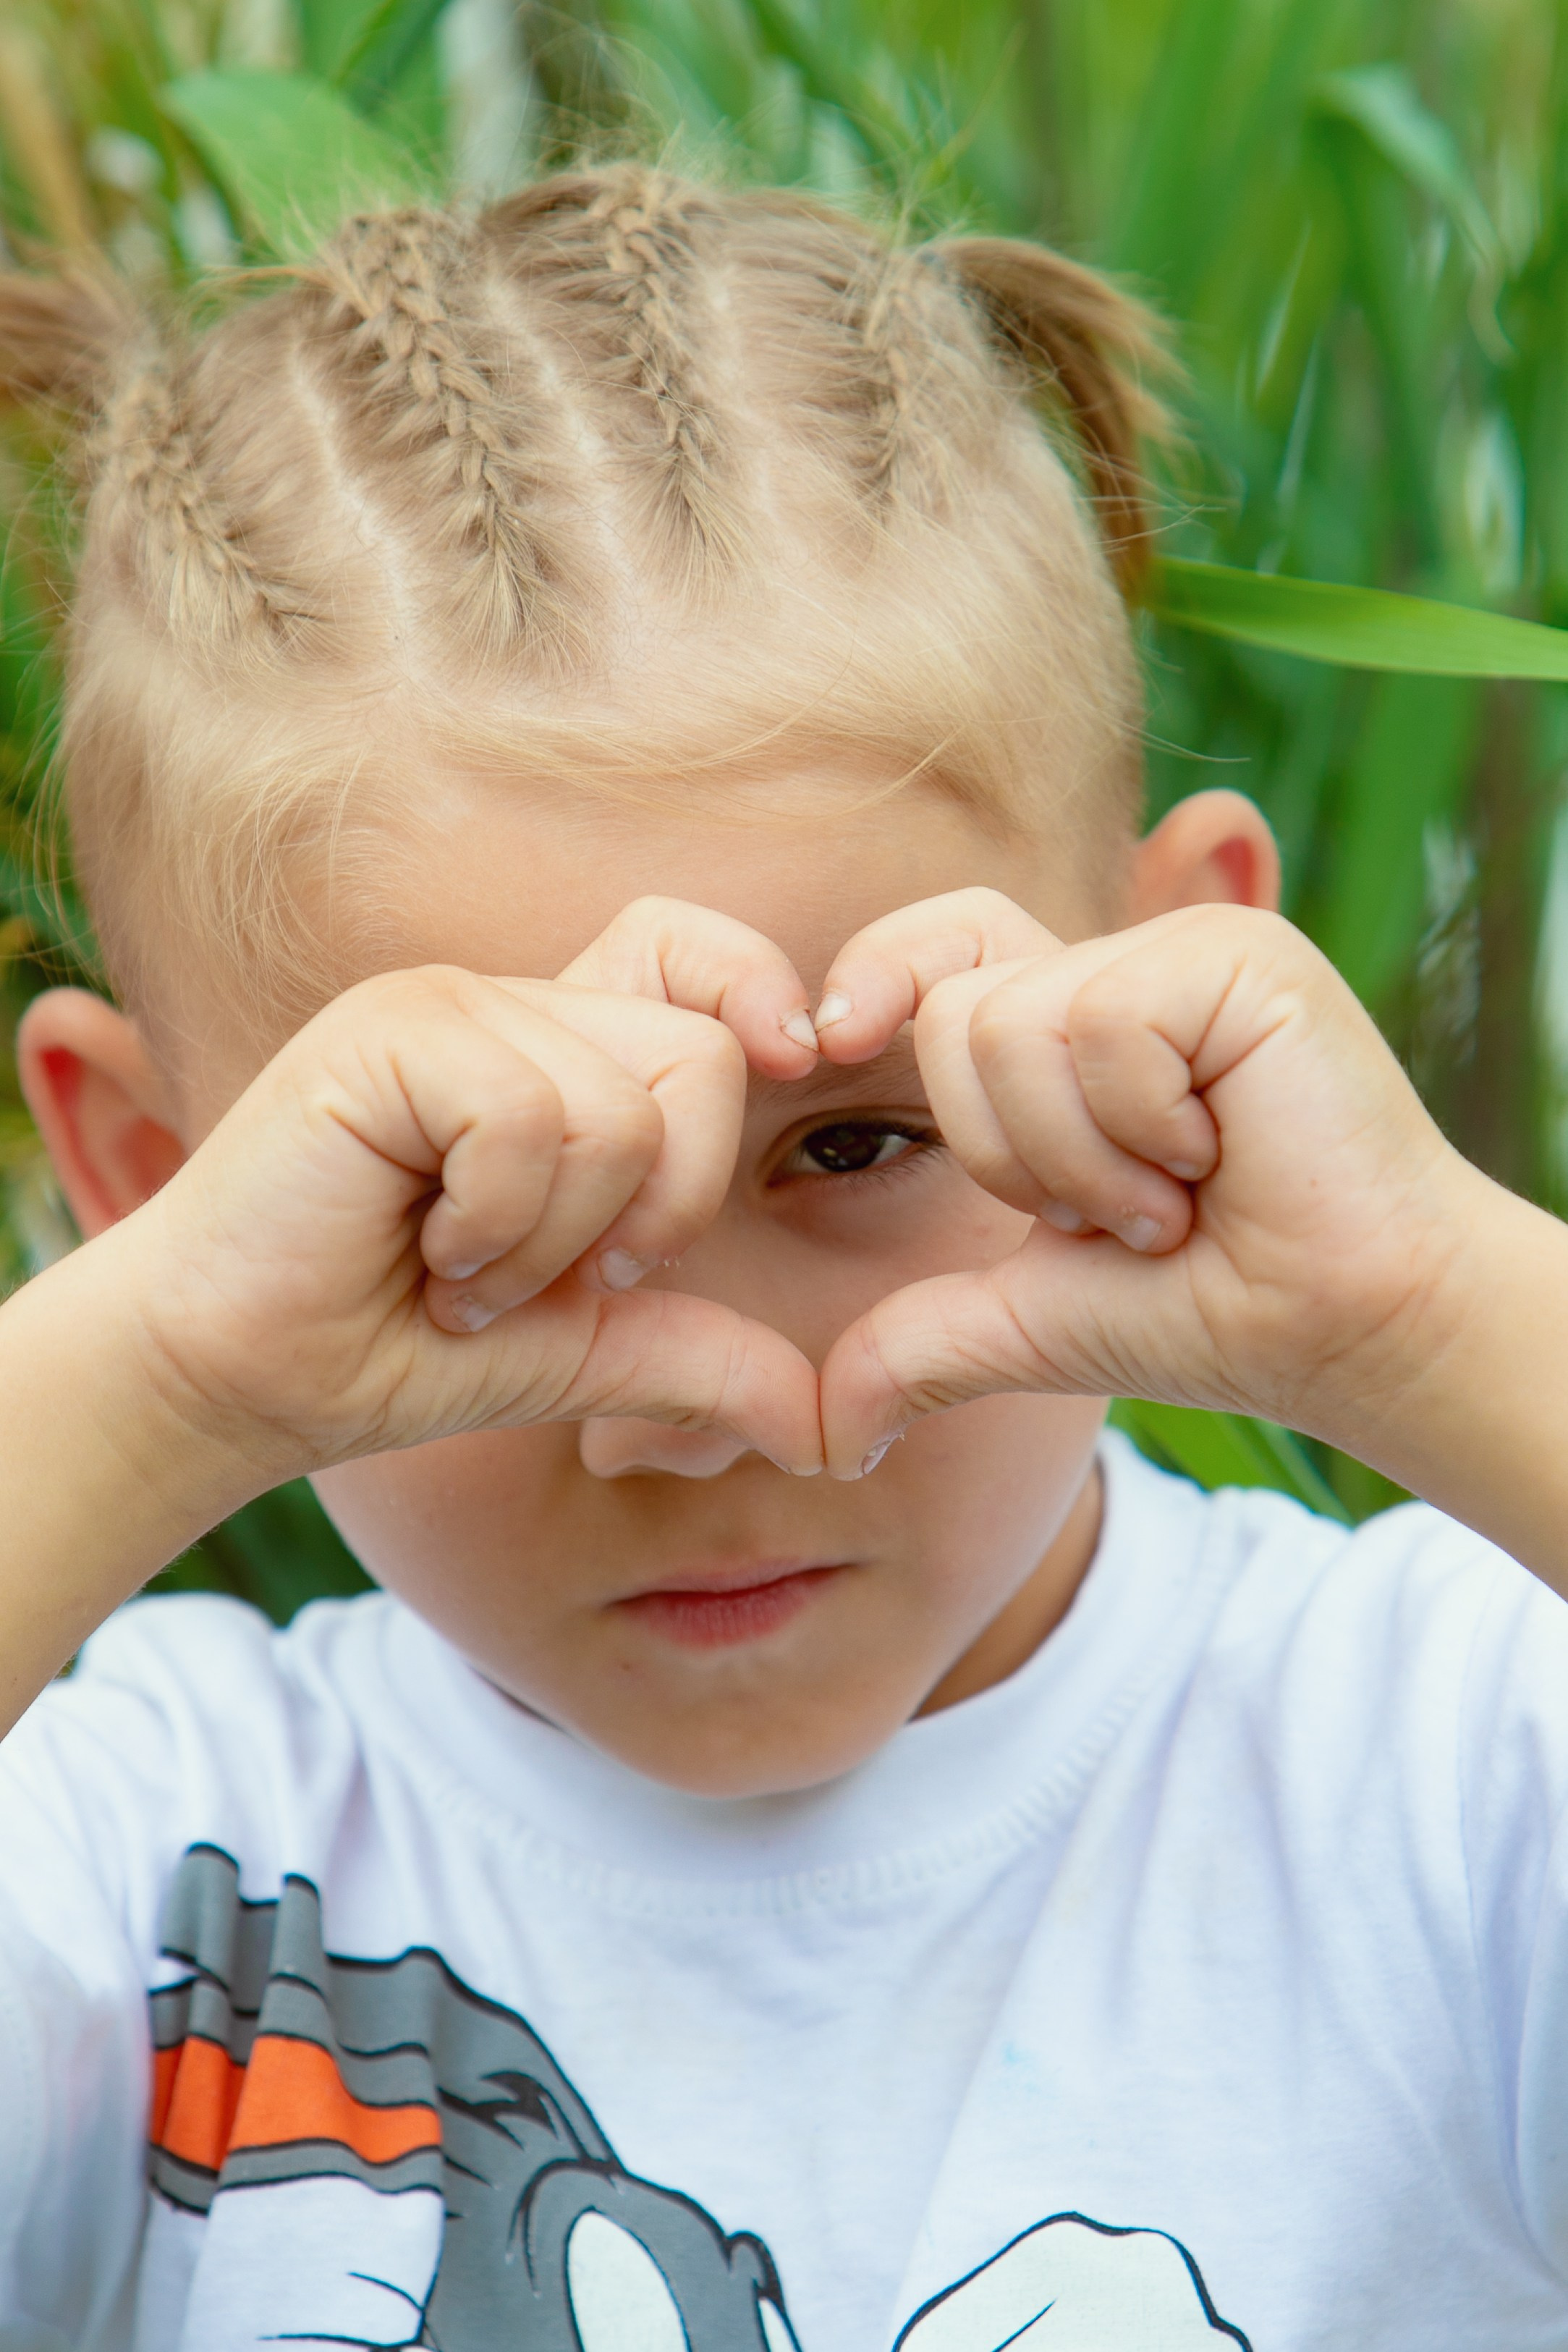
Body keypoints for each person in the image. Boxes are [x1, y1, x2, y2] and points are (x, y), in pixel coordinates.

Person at [0, 161, 1565, 2352]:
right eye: (472, 1205)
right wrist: (154, 1372)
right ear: (157, 1178)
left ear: (1193, 1001)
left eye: (857, 1138)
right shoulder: (144, 1876)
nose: (703, 1394)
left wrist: (1429, 1302)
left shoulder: (1453, 1777)